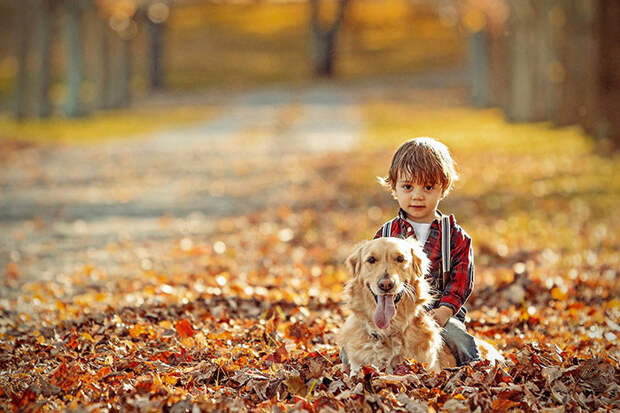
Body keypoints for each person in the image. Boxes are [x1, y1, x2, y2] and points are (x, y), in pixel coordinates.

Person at [373, 137, 480, 366]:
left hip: (438, 312)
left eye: (428, 187)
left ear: (443, 189)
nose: (417, 195)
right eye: (408, 187)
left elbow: (461, 281)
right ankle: (349, 366)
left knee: (457, 338)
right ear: (395, 187)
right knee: (360, 338)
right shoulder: (387, 233)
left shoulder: (455, 236)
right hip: (394, 309)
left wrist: (445, 311)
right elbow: (373, 272)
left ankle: (475, 370)